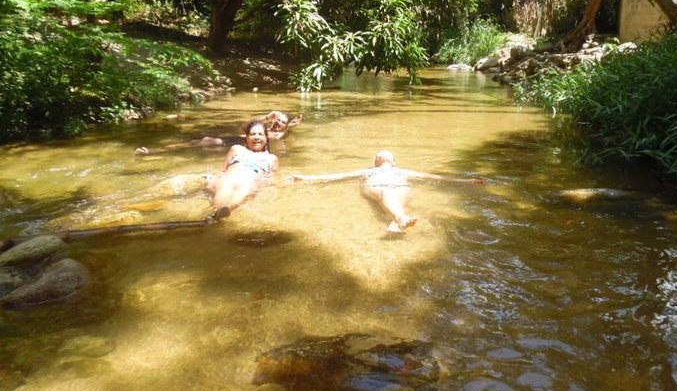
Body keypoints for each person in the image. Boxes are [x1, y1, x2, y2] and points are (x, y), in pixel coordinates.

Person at [289, 150, 484, 234]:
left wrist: (467, 180)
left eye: (386, 155)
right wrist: (306, 178)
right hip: (377, 187)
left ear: (394, 161)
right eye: (379, 155)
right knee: (386, 193)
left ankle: (396, 221)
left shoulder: (402, 171)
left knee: (396, 194)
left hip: (402, 188)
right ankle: (400, 218)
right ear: (375, 161)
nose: (383, 155)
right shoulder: (368, 171)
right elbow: (337, 176)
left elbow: (433, 178)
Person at [134, 111, 302, 156]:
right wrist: (267, 116)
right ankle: (159, 150)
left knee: (206, 141)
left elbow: (282, 137)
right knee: (199, 142)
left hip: (239, 144)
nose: (279, 124)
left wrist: (290, 128)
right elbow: (244, 127)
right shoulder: (262, 128)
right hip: (236, 140)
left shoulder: (277, 135)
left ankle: (154, 151)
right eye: (278, 120)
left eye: (282, 123)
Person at [206, 119, 279, 220]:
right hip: (229, 178)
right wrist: (212, 178)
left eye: (260, 134)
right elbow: (223, 170)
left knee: (249, 186)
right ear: (247, 138)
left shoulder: (271, 158)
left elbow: (272, 180)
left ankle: (226, 209)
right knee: (226, 183)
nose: (257, 137)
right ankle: (215, 212)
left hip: (249, 183)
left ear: (266, 138)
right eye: (253, 134)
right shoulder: (237, 149)